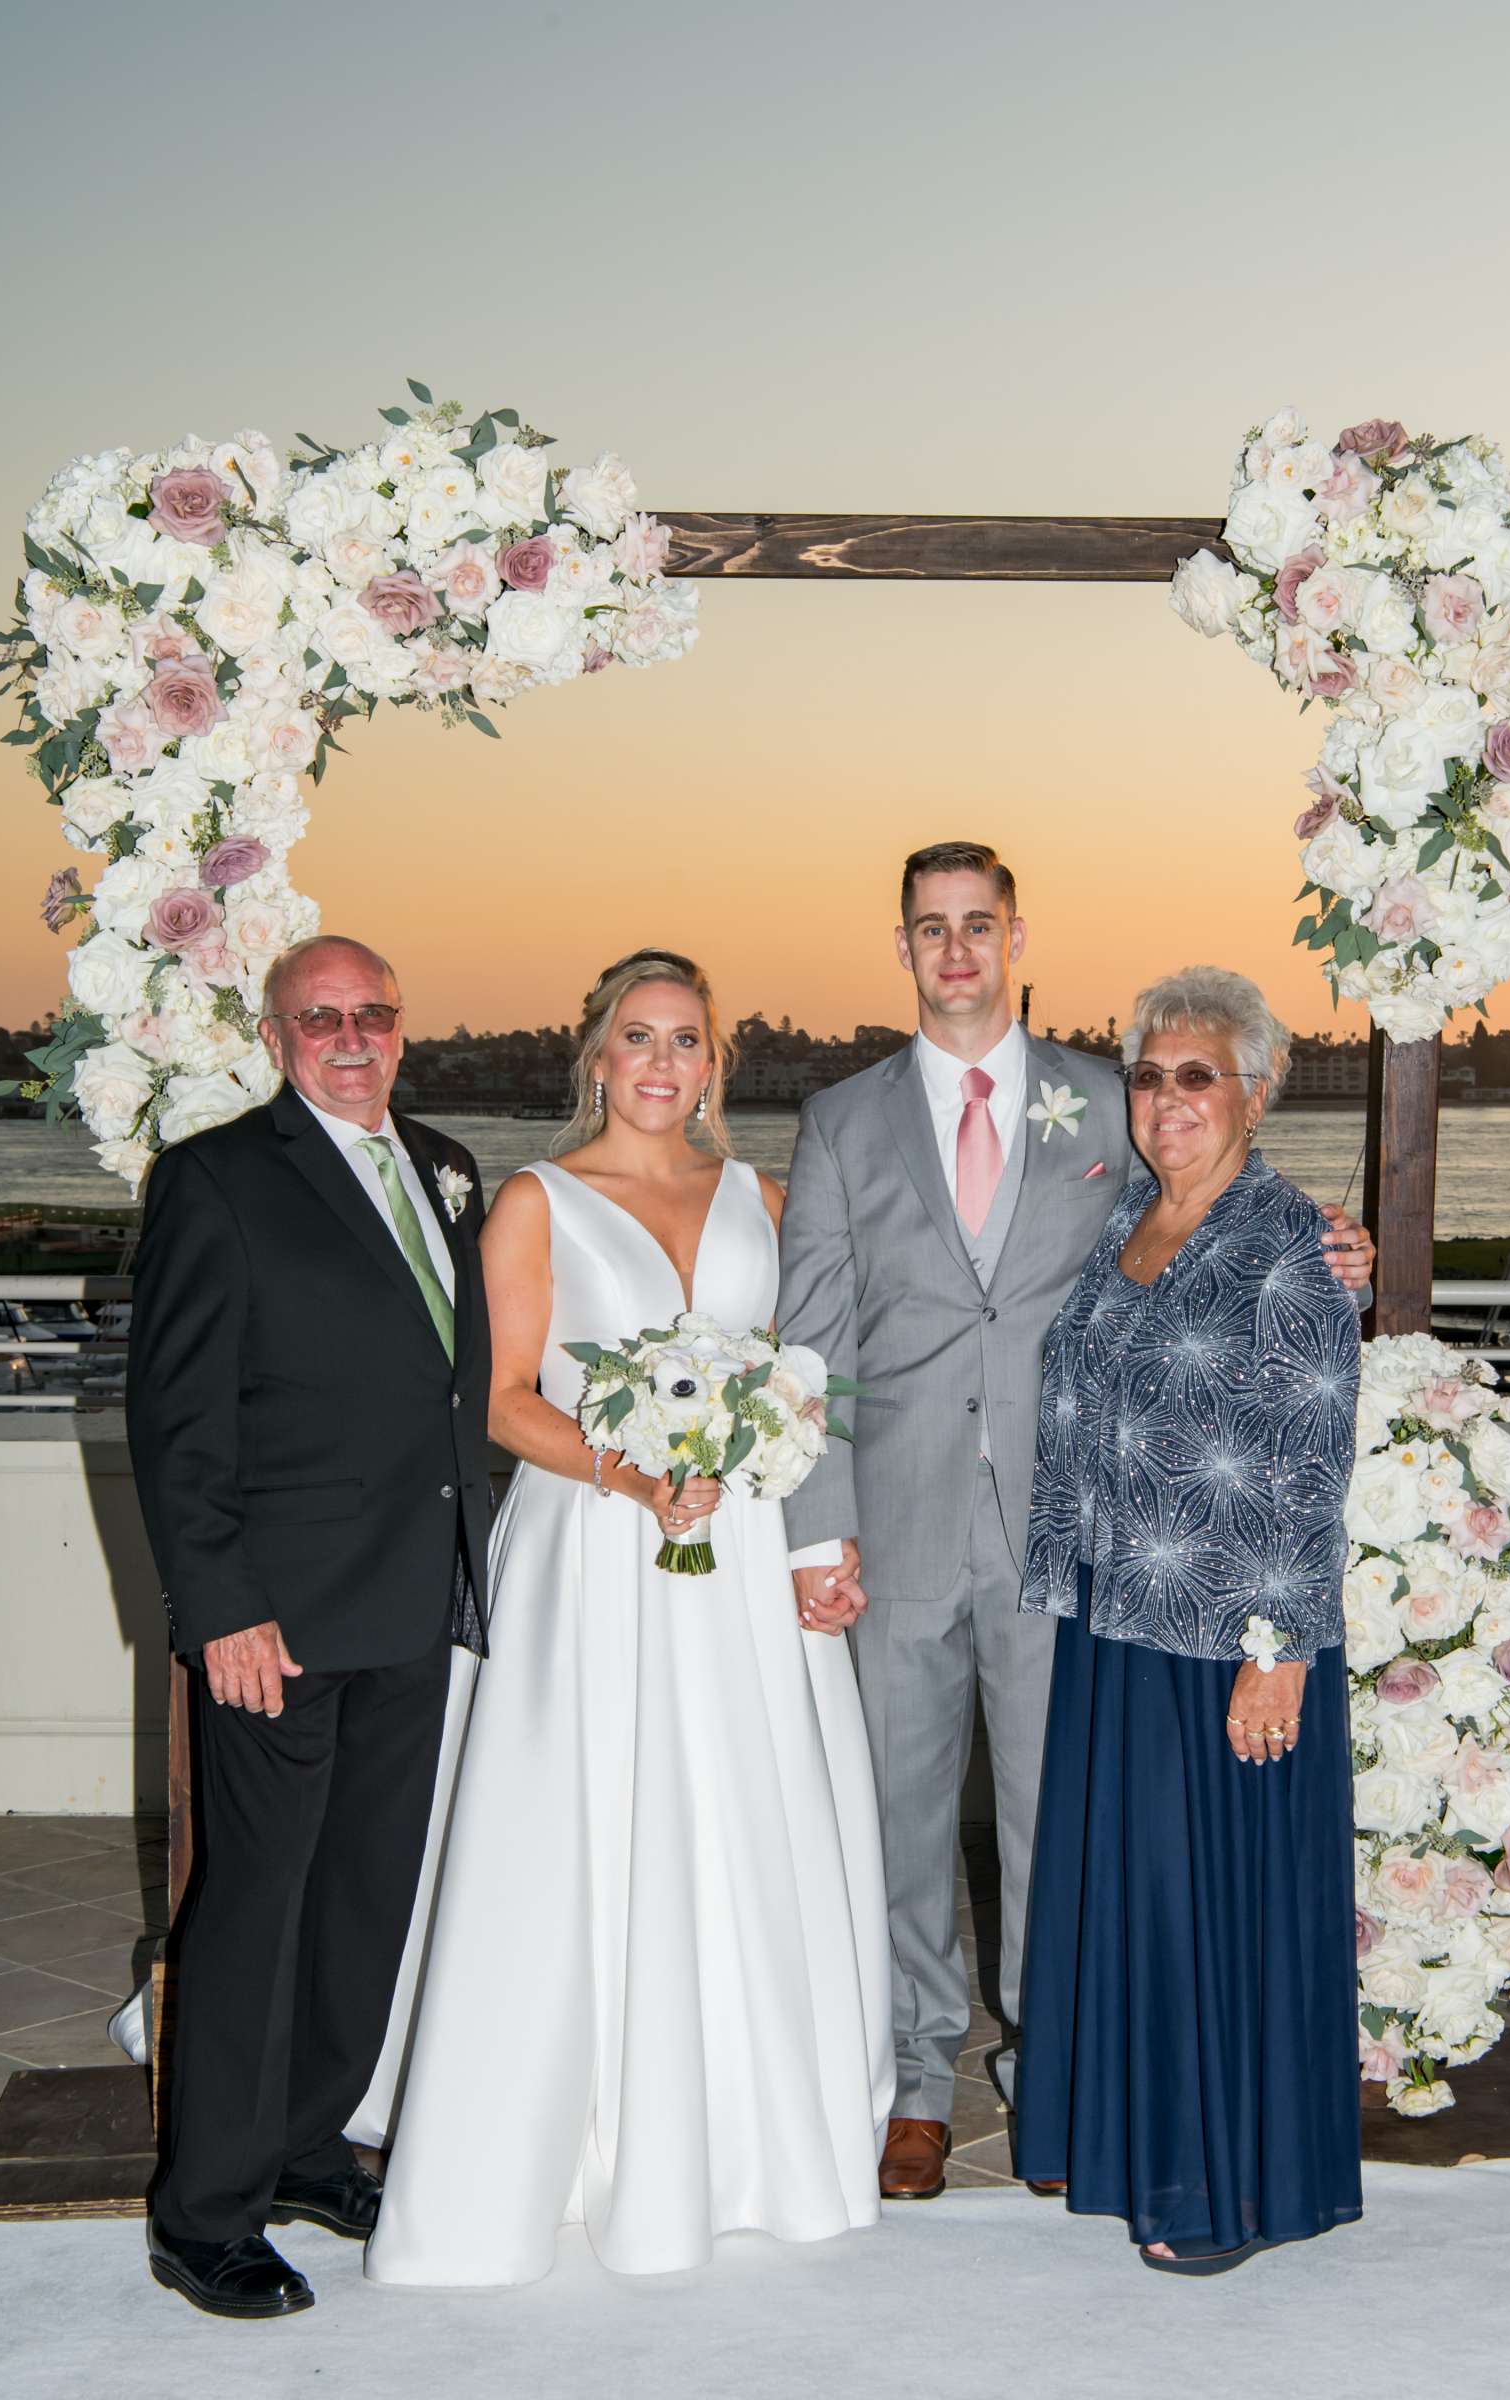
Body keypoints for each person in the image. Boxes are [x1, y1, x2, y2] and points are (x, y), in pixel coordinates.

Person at [775, 846, 1375, 2201]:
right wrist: (820, 1528)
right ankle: (915, 2079)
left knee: (1062, 1819)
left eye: (979, 924)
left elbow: (1213, 1204)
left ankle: (1059, 2068)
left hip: (1072, 1540)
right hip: (897, 1519)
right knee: (899, 1813)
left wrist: (1340, 1248)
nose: (958, 950)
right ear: (905, 946)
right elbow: (809, 1340)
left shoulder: (1111, 1096)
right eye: (932, 929)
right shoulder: (839, 1119)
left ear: (1018, 934)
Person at [365, 949, 893, 2289]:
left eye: (689, 1042)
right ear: (596, 1054)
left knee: (741, 1813)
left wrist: (793, 1509)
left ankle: (752, 2135)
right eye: (639, 1039)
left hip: (740, 1544)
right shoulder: (538, 1204)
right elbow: (499, 1400)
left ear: (718, 1062)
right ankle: (570, 2138)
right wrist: (633, 1468)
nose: (663, 1065)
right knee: (585, 1818)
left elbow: (805, 1381)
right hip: (598, 1547)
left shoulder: (765, 1201)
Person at [126, 936, 491, 2320]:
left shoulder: (447, 1166)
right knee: (254, 1913)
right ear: (275, 1035)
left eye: (374, 1016)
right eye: (321, 1018)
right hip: (274, 1623)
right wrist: (220, 1608)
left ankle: (301, 2149)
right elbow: (174, 1420)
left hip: (412, 1602)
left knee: (362, 1904)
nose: (352, 1038)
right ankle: (201, 2211)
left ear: (403, 1030)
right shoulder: (217, 1180)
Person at [1015, 966, 1363, 2273]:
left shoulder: (1291, 1245)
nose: (1168, 1101)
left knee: (1209, 1912)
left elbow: (1310, 1460)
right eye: (1150, 1076)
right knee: (1139, 1907)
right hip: (1118, 1622)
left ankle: (1221, 2187)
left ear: (1257, 1092)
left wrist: (1275, 1654)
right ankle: (1134, 2143)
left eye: (1197, 1075)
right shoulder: (1128, 1232)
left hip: (1230, 1641)